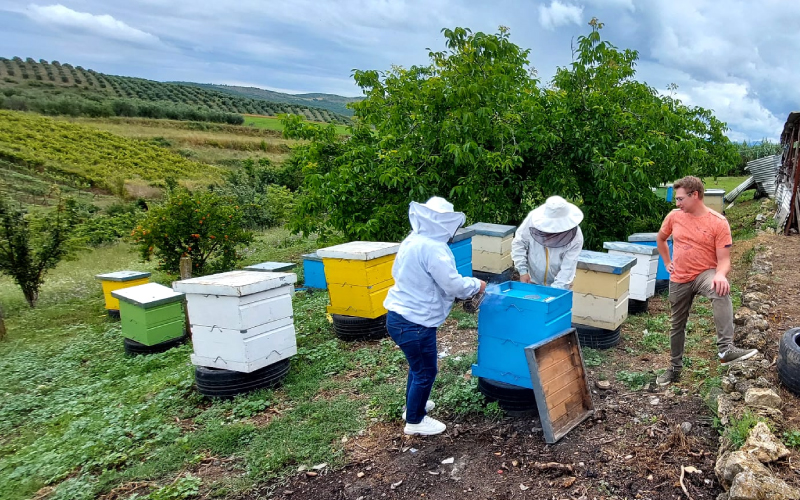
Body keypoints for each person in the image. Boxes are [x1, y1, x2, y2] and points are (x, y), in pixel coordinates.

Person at [384, 196, 487, 436]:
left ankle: (412, 406)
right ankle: (415, 421)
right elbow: (453, 285)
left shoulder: (413, 239)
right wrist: (477, 284)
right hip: (415, 323)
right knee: (426, 372)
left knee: (417, 366)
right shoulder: (434, 248)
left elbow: (397, 271)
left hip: (398, 316)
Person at [655, 176, 758, 386]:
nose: (677, 203)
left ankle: (726, 349)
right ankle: (674, 368)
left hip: (704, 273)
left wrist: (720, 274)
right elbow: (661, 238)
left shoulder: (718, 222)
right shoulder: (674, 217)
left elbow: (724, 260)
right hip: (679, 276)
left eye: (681, 199)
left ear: (695, 195)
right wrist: (667, 262)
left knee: (720, 290)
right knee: (677, 324)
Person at [511, 196, 584, 289]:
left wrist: (555, 291)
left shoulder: (576, 237)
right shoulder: (532, 220)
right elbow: (519, 243)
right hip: (532, 280)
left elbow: (568, 268)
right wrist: (523, 271)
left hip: (561, 284)